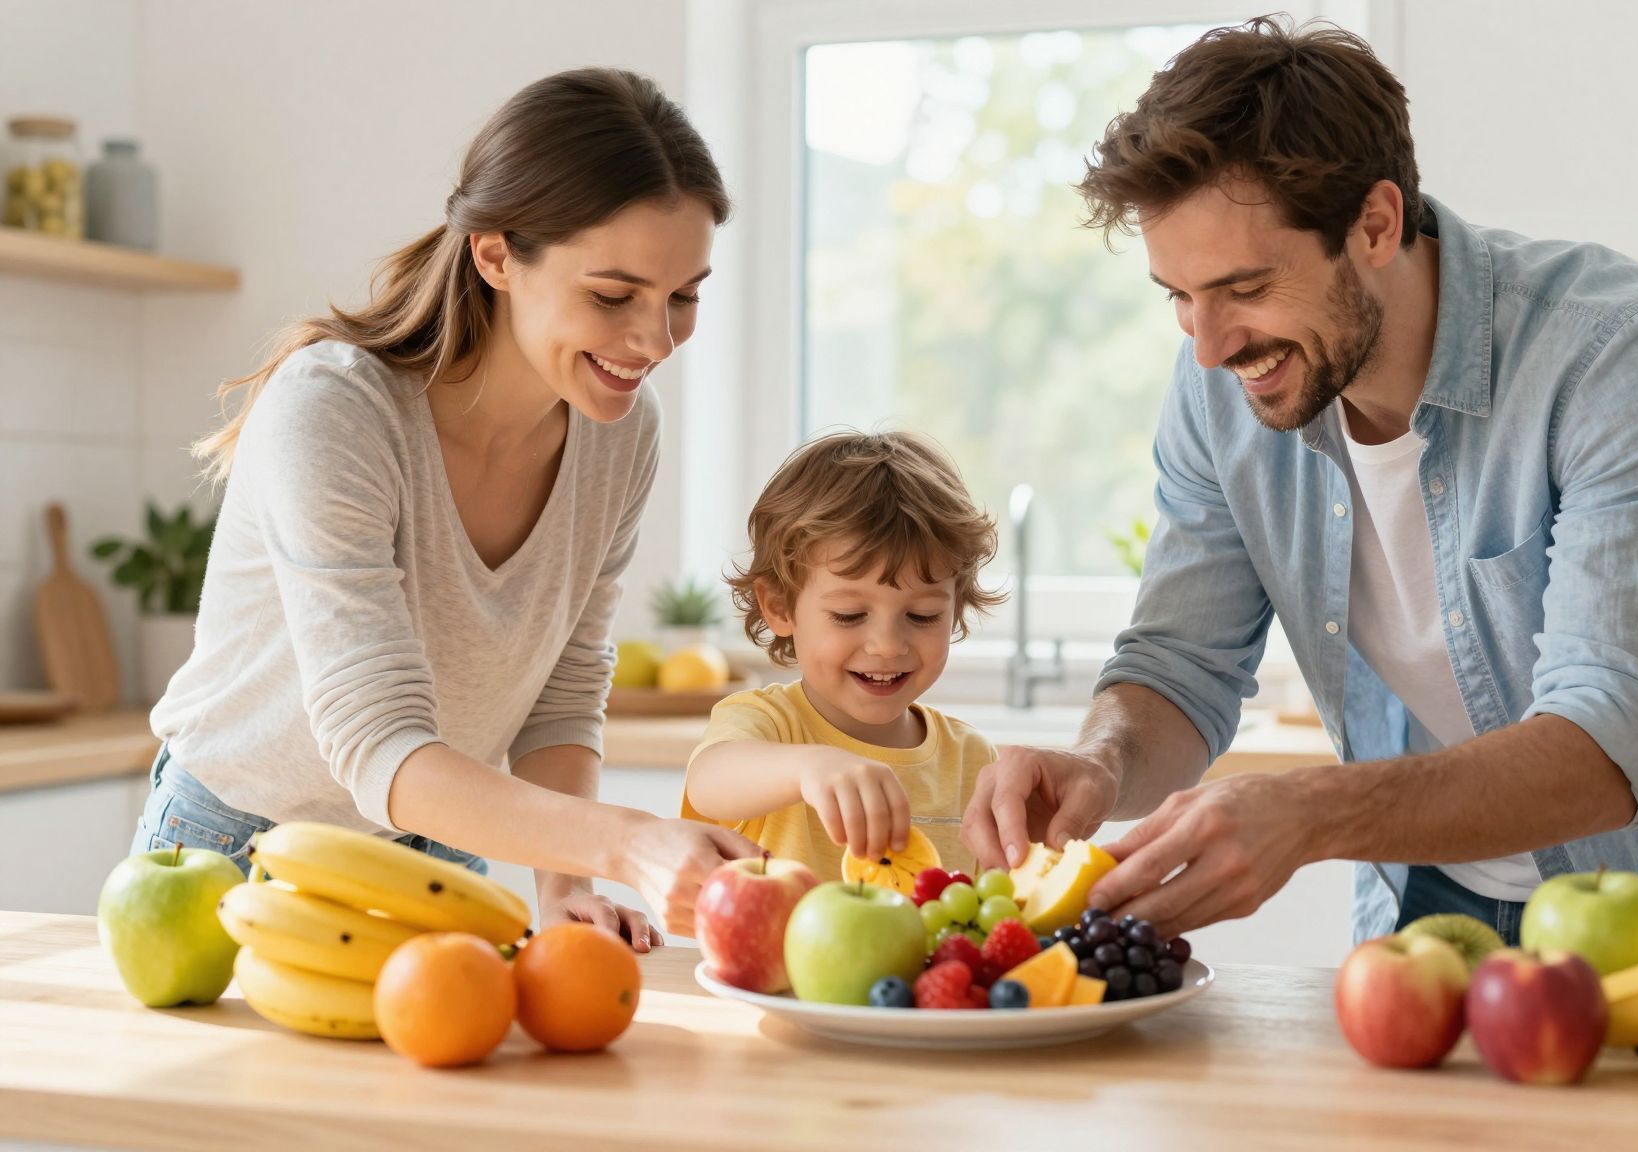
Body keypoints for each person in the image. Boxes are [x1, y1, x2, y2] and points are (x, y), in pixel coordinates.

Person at [962, 17, 1638, 943]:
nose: (1207, 346)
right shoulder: (1223, 387)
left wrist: (1313, 814)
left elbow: (1616, 733)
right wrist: (1097, 761)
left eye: (1244, 289)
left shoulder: (1612, 353)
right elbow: (1182, 663)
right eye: (1178, 296)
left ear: (1375, 223)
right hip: (1416, 911)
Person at [137, 68, 759, 950]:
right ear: (496, 253)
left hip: (439, 850)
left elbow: (564, 684)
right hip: (236, 851)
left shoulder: (619, 429)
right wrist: (630, 841)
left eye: (684, 296)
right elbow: (376, 744)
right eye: (613, 296)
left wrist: (566, 884)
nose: (654, 341)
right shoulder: (334, 410)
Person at [680, 431, 1003, 880]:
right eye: (850, 615)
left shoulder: (972, 759)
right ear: (778, 607)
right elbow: (709, 783)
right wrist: (810, 767)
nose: (888, 645)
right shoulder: (767, 724)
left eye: (923, 615)